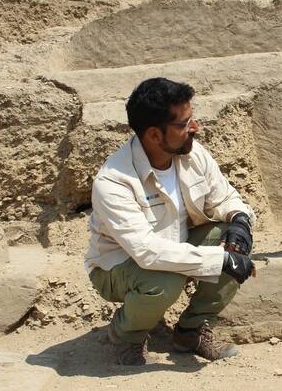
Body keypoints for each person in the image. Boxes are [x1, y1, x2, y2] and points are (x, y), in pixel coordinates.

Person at [84, 77, 256, 366]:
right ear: (154, 135)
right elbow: (147, 252)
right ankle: (127, 334)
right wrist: (220, 260)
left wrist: (239, 220)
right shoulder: (113, 181)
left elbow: (225, 197)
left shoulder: (191, 153)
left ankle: (190, 331)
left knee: (234, 241)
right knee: (165, 280)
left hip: (176, 248)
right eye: (184, 123)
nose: (195, 127)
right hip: (118, 267)